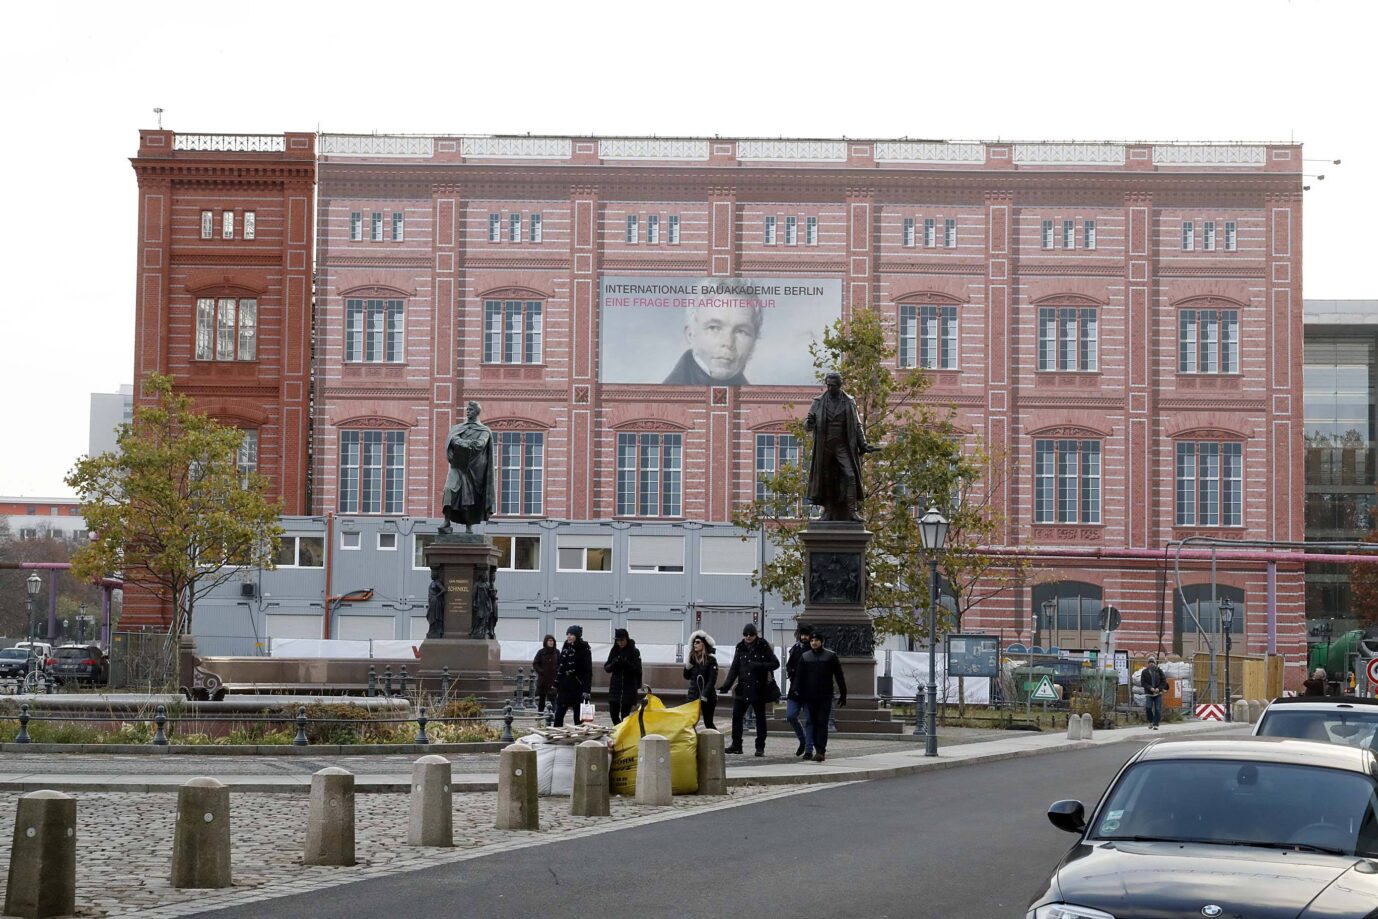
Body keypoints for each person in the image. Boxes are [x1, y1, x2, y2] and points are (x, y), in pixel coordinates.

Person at [804, 371, 880, 521]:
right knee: (827, 477)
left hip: (842, 445)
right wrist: (809, 422)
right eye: (827, 385)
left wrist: (863, 443)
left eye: (832, 385)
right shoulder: (818, 402)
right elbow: (807, 424)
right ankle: (828, 511)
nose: (829, 388)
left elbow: (857, 425)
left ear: (839, 386)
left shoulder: (849, 401)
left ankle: (851, 511)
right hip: (824, 445)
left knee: (850, 475)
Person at [718, 622, 780, 757]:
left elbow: (775, 663)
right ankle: (736, 745)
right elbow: (734, 668)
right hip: (743, 687)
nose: (748, 637)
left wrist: (759, 665)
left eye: (751, 634)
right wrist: (726, 685)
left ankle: (760, 747)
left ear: (755, 635)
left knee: (760, 718)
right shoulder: (740, 647)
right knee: (737, 716)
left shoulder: (763, 645)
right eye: (745, 634)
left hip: (759, 688)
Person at [662, 305, 763, 386]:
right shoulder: (664, 401)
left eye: (741, 331)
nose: (728, 343)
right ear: (691, 336)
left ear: (754, 342)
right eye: (714, 328)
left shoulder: (758, 405)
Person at [440, 400, 495, 533]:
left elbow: (479, 445)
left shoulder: (484, 431)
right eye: (467, 409)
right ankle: (446, 522)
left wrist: (459, 441)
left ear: (476, 412)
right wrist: (461, 442)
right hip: (458, 466)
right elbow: (451, 439)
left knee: (470, 498)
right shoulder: (458, 428)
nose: (467, 411)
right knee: (448, 490)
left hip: (475, 470)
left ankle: (469, 526)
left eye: (470, 410)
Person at [792, 631, 847, 762]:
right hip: (810, 696)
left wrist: (843, 694)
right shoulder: (805, 657)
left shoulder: (830, 656)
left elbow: (839, 676)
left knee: (822, 723)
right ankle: (816, 748)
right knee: (813, 722)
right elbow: (799, 676)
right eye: (812, 641)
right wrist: (795, 689)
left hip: (825, 696)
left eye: (816, 640)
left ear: (821, 642)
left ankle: (820, 750)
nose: (814, 643)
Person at [553, 625, 592, 727]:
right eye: (568, 634)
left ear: (577, 636)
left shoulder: (584, 648)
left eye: (571, 634)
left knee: (578, 717)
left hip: (577, 685)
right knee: (559, 714)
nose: (569, 637)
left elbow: (587, 670)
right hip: (564, 684)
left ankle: (579, 737)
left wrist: (586, 690)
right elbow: (560, 664)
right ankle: (557, 736)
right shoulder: (566, 646)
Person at [784, 623, 814, 757]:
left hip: (809, 690)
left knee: (809, 720)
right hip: (795, 689)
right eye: (802, 635)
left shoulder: (814, 651)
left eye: (806, 635)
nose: (804, 637)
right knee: (790, 716)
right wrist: (791, 672)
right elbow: (789, 664)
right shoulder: (796, 648)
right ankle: (802, 740)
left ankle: (808, 749)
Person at [604, 627, 643, 724]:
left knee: (625, 715)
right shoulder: (614, 651)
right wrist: (615, 662)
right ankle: (618, 729)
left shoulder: (634, 651)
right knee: (613, 713)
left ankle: (623, 732)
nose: (620, 642)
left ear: (626, 639)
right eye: (618, 640)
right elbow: (607, 667)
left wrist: (626, 663)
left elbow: (638, 670)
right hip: (615, 687)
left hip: (628, 687)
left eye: (622, 640)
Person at [683, 630, 719, 730]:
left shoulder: (711, 660)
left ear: (704, 644)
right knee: (689, 722)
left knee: (708, 723)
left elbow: (711, 681)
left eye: (698, 642)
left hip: (707, 697)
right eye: (694, 642)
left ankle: (716, 742)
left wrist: (704, 696)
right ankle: (692, 743)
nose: (695, 644)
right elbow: (686, 676)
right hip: (693, 695)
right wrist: (688, 664)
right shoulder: (692, 659)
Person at [532, 634, 559, 715]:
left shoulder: (557, 652)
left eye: (552, 641)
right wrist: (541, 671)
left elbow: (561, 663)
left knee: (553, 698)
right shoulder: (541, 652)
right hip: (543, 680)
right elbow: (535, 663)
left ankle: (553, 715)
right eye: (549, 641)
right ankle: (540, 715)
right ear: (546, 642)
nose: (551, 642)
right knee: (542, 699)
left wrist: (557, 671)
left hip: (553, 679)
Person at [1140, 656, 1169, 730]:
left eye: (1152, 662)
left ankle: (1156, 724)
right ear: (1148, 664)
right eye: (1150, 662)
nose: (1151, 664)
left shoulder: (1159, 671)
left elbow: (1164, 681)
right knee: (1148, 707)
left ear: (1155, 663)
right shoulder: (1144, 672)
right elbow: (1143, 683)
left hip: (1158, 693)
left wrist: (1158, 688)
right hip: (1149, 693)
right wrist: (1150, 688)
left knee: (1158, 709)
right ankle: (1151, 721)